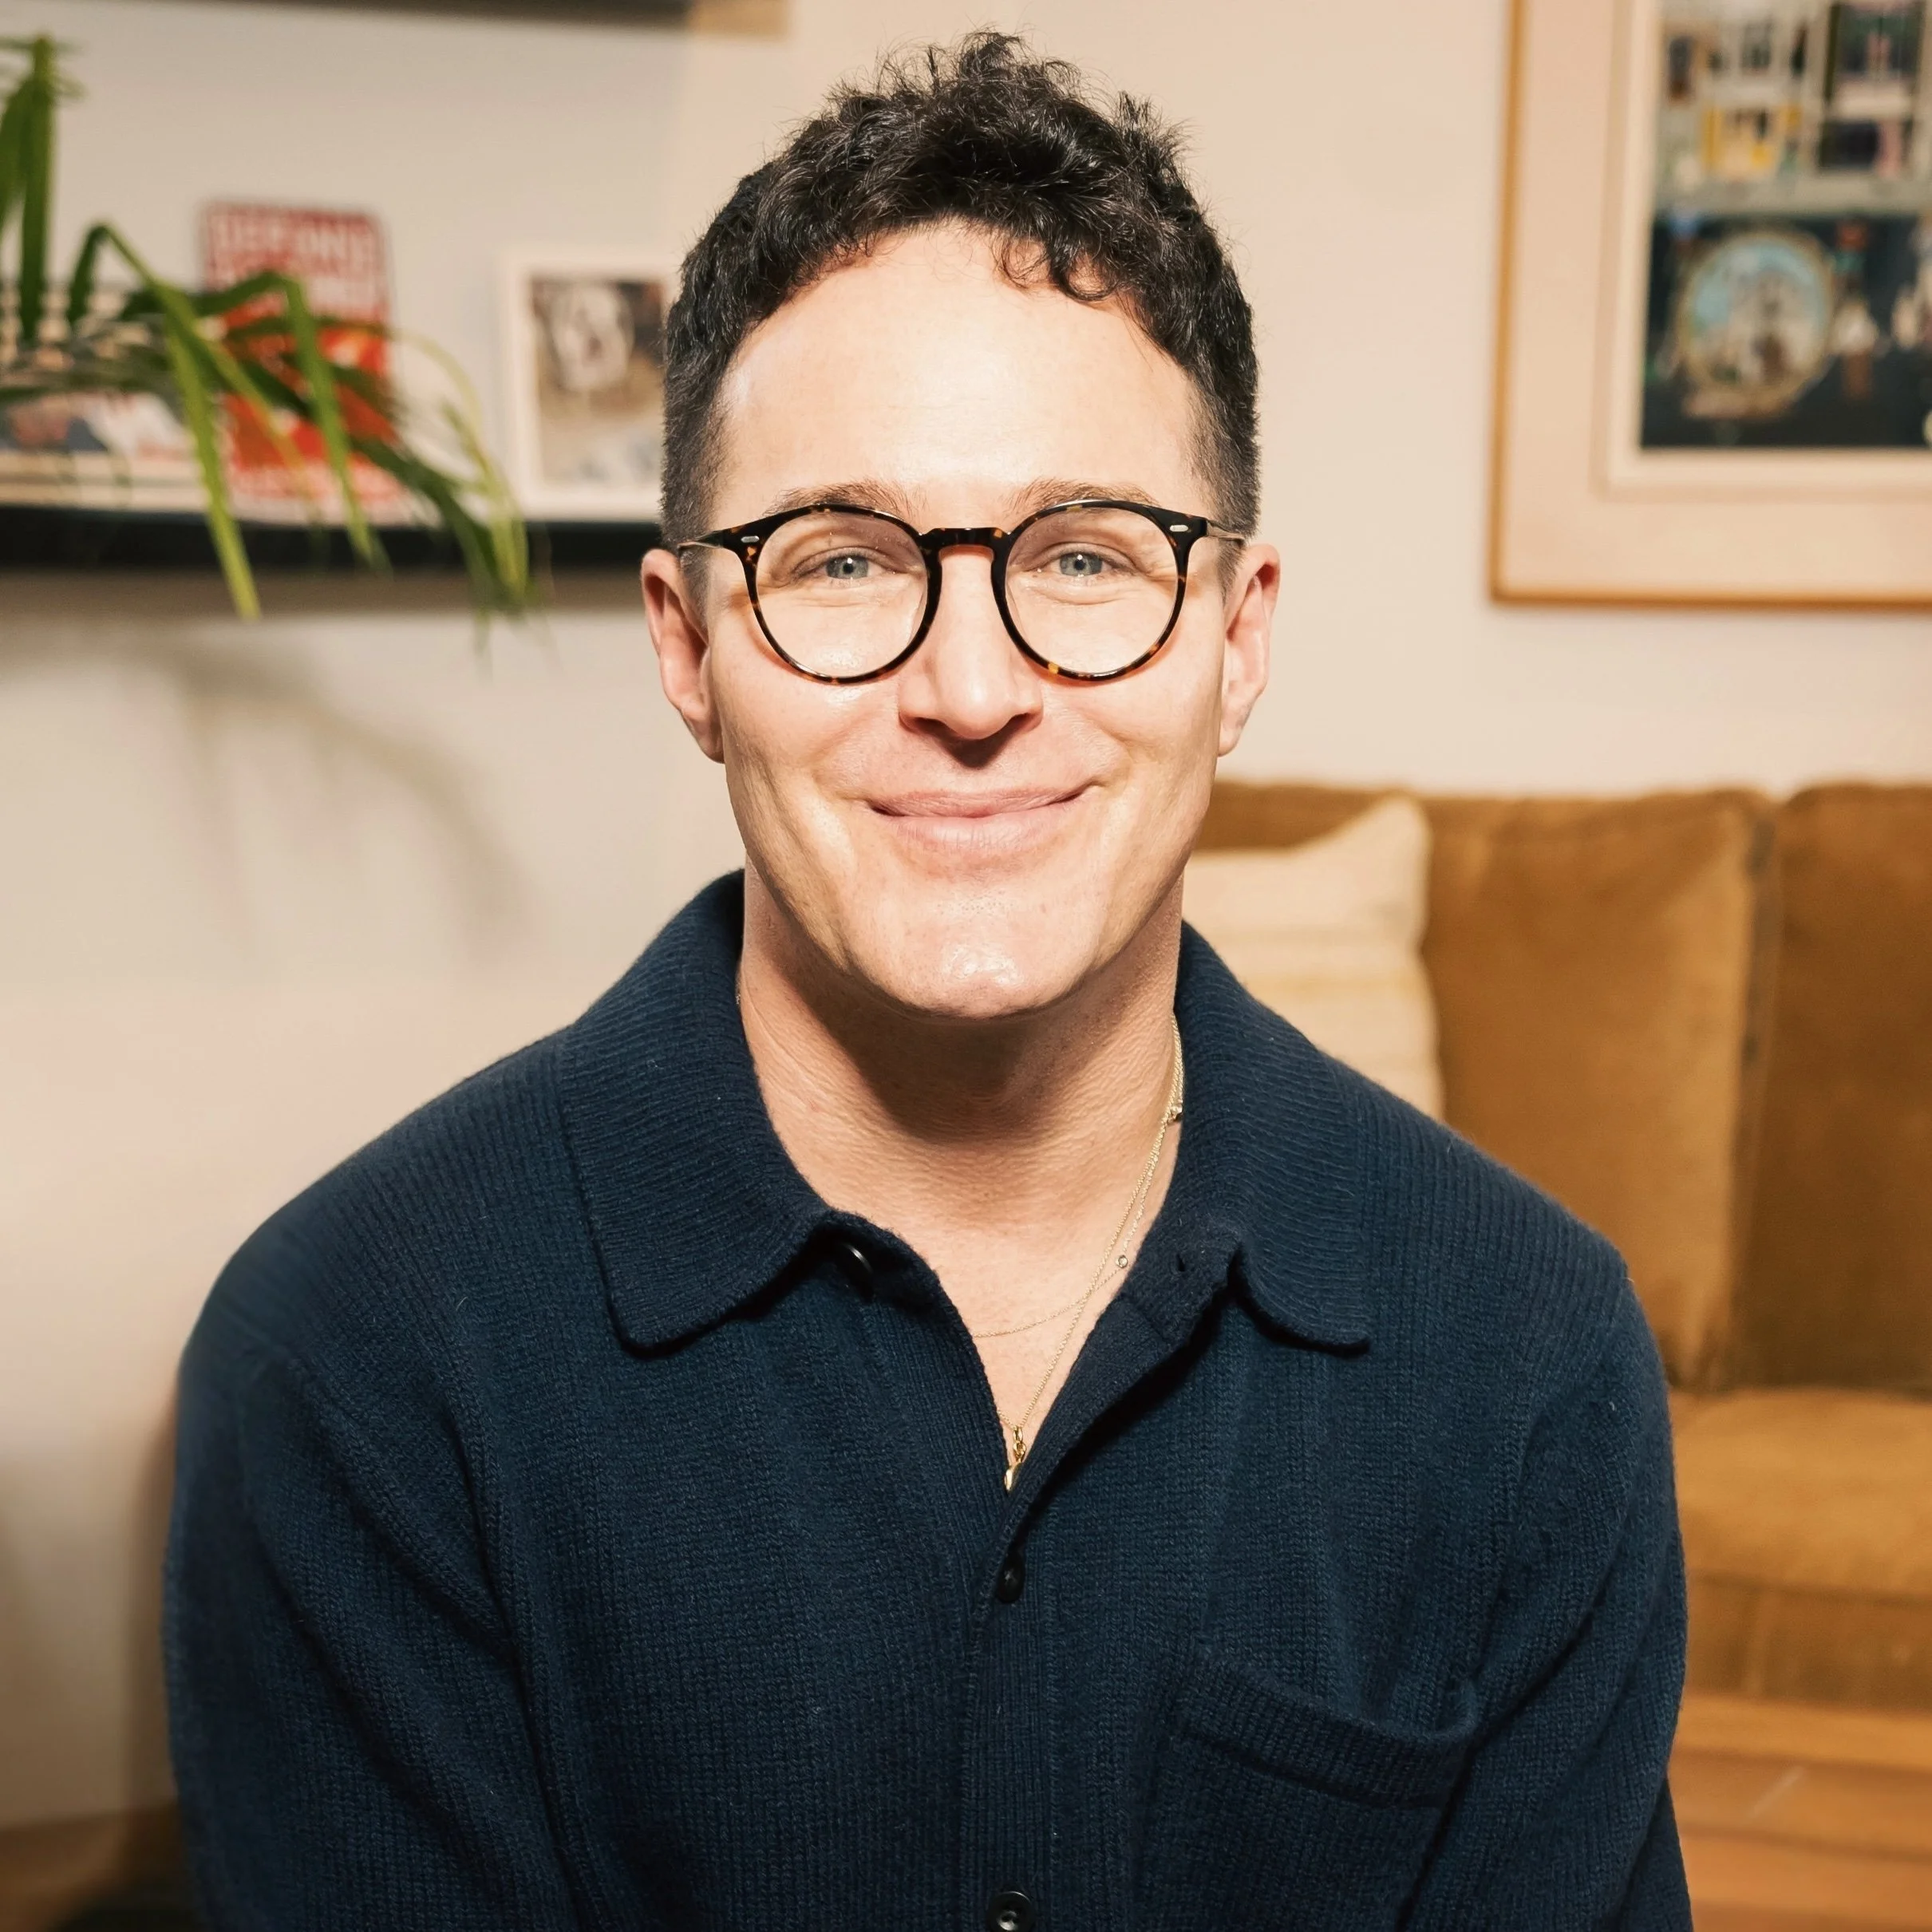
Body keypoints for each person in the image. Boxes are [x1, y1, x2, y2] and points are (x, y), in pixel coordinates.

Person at [166, 35, 1689, 1930]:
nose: (969, 691)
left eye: (1082, 556)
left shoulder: (1529, 1361)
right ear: (690, 641)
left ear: (1236, 637)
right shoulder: (360, 1367)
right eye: (840, 561)